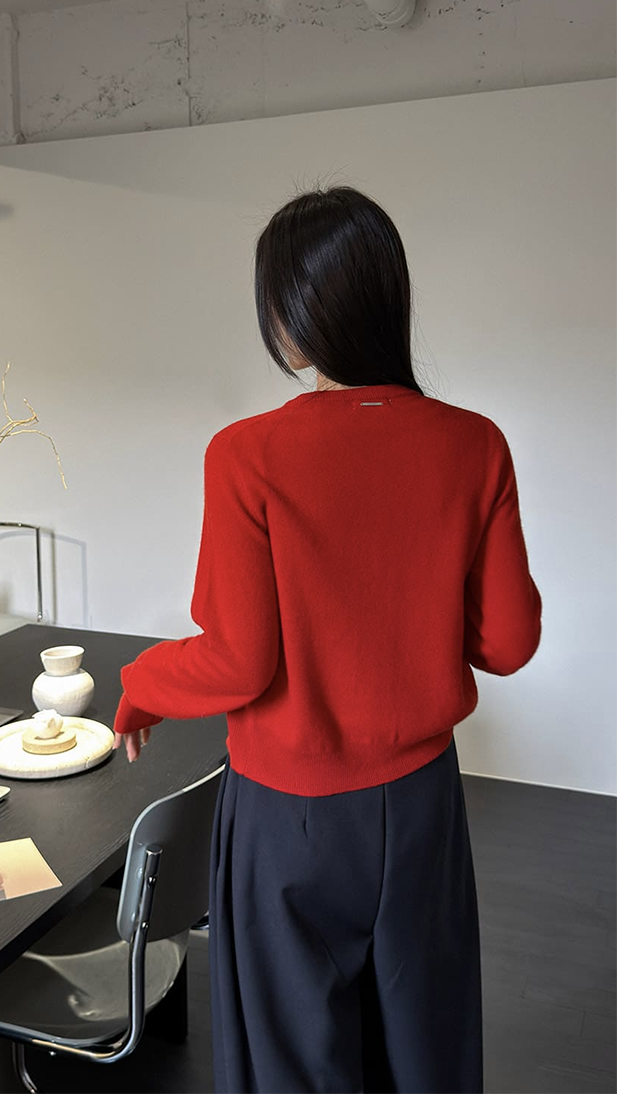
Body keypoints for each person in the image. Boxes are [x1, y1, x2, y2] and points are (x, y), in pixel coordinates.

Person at [113, 186, 541, 1094]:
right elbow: (507, 643)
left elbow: (238, 662)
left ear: (289, 315)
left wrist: (142, 682)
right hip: (421, 807)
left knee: (292, 1065)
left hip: (288, 817)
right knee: (425, 1055)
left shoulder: (245, 455)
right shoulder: (477, 445)